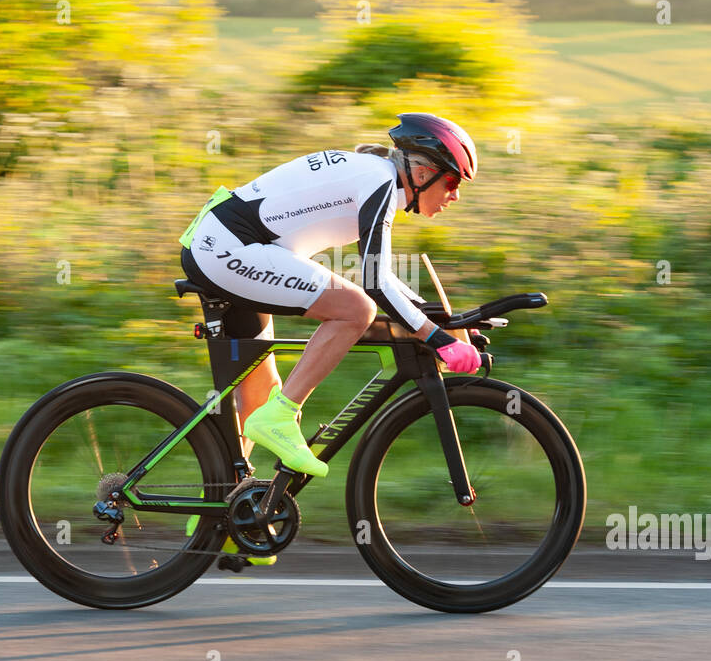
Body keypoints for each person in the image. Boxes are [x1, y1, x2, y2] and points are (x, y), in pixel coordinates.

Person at [178, 112, 483, 478]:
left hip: (231, 246)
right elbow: (375, 282)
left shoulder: (374, 176)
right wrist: (437, 339)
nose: (455, 194)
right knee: (356, 309)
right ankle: (283, 415)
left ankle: (221, 510)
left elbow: (379, 272)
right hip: (230, 249)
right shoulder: (378, 182)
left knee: (259, 391)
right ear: (421, 173)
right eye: (451, 181)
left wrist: (445, 326)